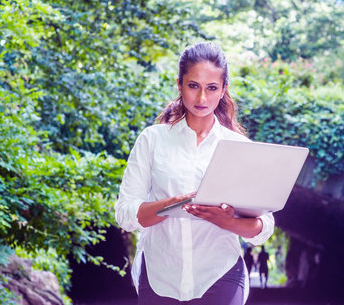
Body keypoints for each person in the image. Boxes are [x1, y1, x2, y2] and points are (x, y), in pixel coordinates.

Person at [115, 42, 275, 305]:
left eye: (212, 88)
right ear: (180, 85)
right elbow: (125, 215)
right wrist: (172, 204)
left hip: (220, 275)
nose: (202, 98)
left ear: (223, 90)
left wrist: (228, 222)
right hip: (159, 277)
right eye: (193, 86)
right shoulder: (152, 140)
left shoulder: (239, 148)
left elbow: (263, 228)